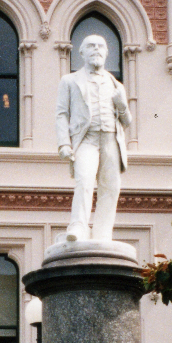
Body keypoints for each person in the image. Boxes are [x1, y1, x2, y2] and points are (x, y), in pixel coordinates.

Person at [56, 33, 131, 241]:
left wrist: (122, 105)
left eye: (100, 46)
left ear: (107, 52)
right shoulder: (70, 81)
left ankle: (102, 232)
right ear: (81, 52)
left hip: (110, 140)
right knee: (85, 180)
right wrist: (64, 143)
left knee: (111, 187)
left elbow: (127, 121)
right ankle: (79, 226)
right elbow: (61, 113)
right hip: (86, 139)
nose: (96, 49)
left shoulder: (116, 85)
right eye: (90, 46)